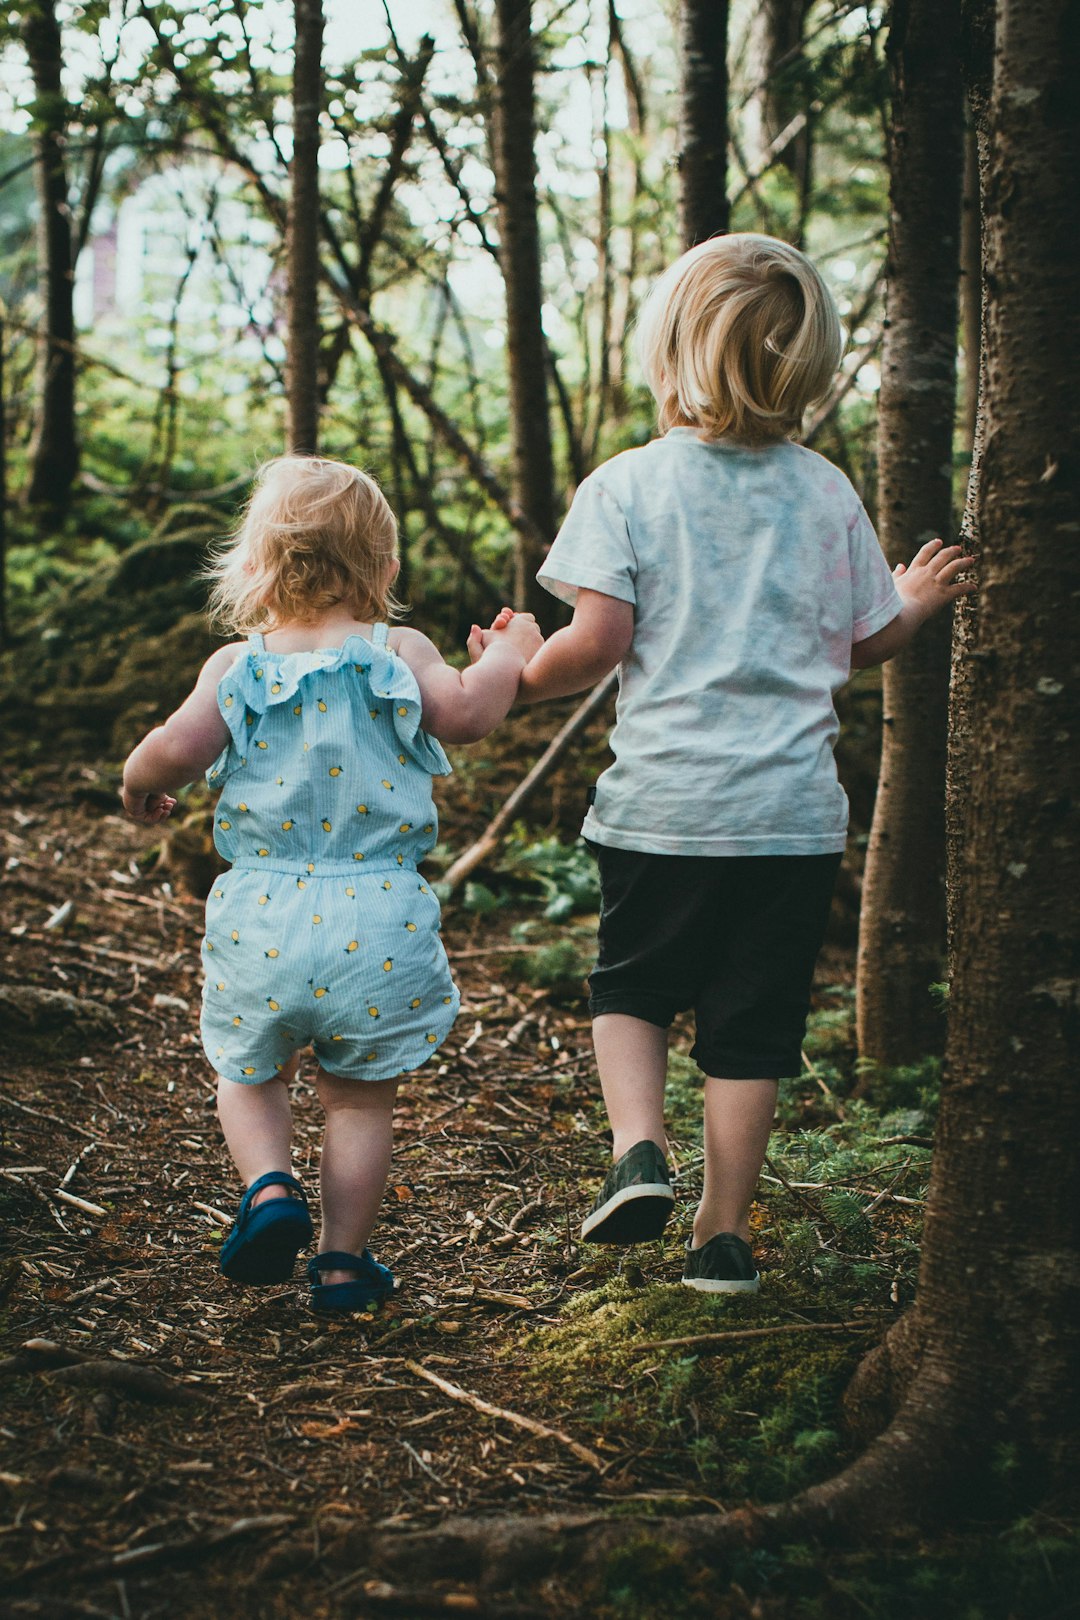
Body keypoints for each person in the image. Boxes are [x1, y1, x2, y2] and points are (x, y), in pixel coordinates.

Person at [516, 232, 974, 1293]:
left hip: (662, 809)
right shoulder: (824, 494)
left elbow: (596, 643)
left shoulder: (626, 486)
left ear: (670, 352)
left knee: (631, 990)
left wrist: (511, 680)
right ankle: (721, 1237)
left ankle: (641, 1150)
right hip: (790, 818)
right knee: (750, 1034)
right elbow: (858, 643)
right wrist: (912, 599)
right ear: (804, 369)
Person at [122, 456, 541, 1312]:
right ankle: (344, 1263)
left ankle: (269, 1191)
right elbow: (467, 713)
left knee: (247, 1073)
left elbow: (171, 748)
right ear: (385, 572)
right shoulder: (402, 651)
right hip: (378, 919)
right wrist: (507, 654)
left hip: (262, 915)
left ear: (252, 569)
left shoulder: (234, 668)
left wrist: (137, 785)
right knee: (356, 1103)